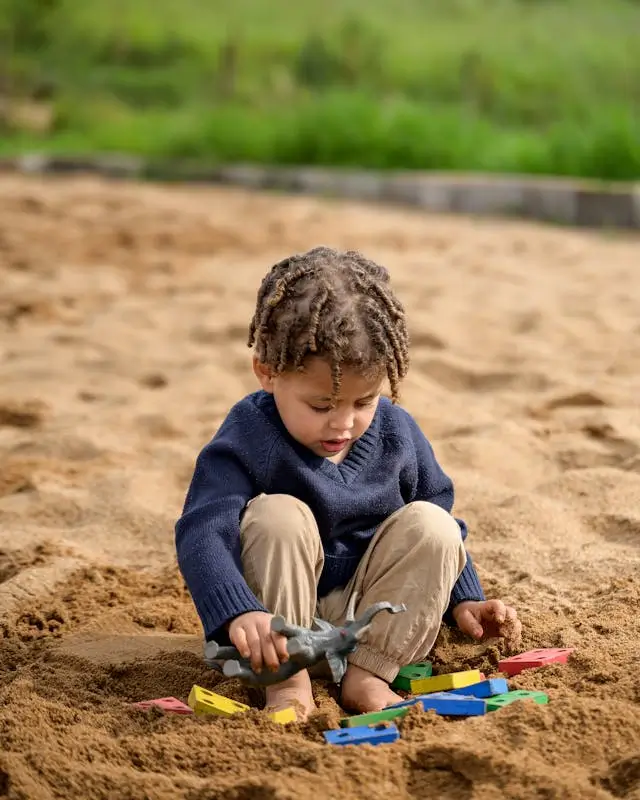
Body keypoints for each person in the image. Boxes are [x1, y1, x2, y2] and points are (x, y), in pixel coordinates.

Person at [175, 246, 521, 720]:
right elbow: (202, 531)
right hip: (271, 633)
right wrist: (238, 612)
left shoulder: (399, 433)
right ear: (267, 373)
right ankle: (288, 687)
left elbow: (439, 531)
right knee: (277, 514)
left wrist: (465, 600)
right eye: (321, 406)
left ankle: (369, 679)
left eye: (364, 402)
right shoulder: (249, 433)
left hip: (372, 631)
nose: (343, 424)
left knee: (432, 522)